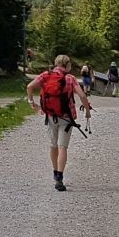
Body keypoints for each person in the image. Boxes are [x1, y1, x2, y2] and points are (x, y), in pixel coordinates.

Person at [26, 54, 93, 191]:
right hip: (67, 118)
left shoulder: (45, 75)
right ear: (67, 65)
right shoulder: (70, 78)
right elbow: (82, 96)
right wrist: (87, 112)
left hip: (50, 115)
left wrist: (31, 102)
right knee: (63, 147)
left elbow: (29, 86)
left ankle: (55, 171)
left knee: (53, 145)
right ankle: (60, 178)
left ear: (56, 64)